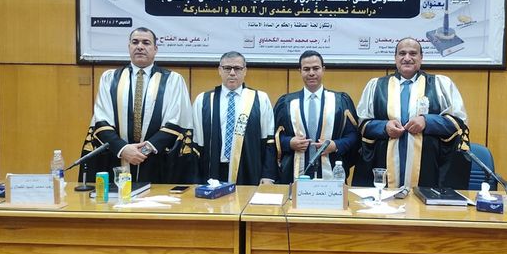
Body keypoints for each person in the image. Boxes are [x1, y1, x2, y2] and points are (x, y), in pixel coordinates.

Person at [79, 27, 197, 184]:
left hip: (158, 160)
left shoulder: (173, 80)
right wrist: (124, 149)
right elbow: (102, 120)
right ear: (129, 47)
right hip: (117, 157)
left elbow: (176, 121)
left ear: (155, 49)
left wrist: (144, 150)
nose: (140, 46)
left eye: (146, 43)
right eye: (135, 42)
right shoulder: (110, 78)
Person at [353, 37, 469, 189]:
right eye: (402, 53)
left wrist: (427, 121)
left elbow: (458, 123)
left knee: (422, 201)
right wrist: (384, 127)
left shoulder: (440, 85)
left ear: (421, 58)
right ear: (395, 58)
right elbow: (362, 124)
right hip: (383, 164)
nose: (407, 58)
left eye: (413, 53)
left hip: (429, 167)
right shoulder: (376, 86)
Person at [274, 50, 359, 182]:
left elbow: (353, 135)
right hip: (294, 172)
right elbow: (275, 136)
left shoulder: (340, 102)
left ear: (323, 70)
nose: (311, 73)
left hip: (331, 171)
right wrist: (289, 143)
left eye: (316, 68)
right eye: (306, 69)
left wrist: (336, 145)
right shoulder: (286, 103)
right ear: (300, 71)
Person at [192, 51, 277, 185]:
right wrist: (195, 179)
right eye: (227, 68)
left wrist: (268, 175)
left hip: (248, 170)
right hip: (213, 171)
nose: (232, 73)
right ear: (220, 70)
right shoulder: (203, 100)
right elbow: (196, 143)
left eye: (237, 68)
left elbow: (269, 141)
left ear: (245, 71)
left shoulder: (260, 99)